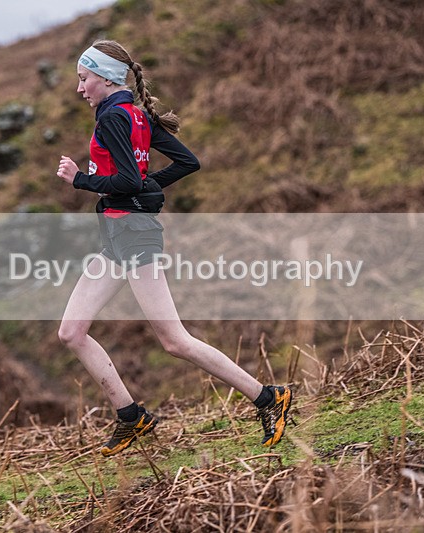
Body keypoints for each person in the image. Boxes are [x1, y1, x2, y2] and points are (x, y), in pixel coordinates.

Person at [56, 40, 292, 457]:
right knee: (72, 332)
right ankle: (131, 417)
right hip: (117, 235)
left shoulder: (112, 116)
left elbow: (128, 181)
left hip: (134, 236)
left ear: (106, 79)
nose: (80, 89)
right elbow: (187, 163)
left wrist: (80, 179)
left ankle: (268, 398)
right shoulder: (136, 113)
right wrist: (146, 187)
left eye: (84, 78)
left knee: (175, 341)